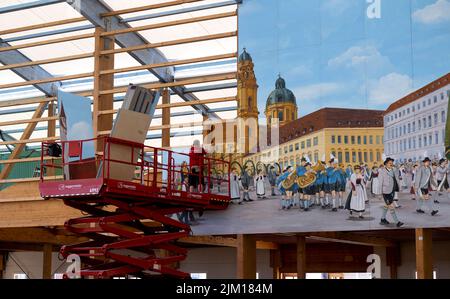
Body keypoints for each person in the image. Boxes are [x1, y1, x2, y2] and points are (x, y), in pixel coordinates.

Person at [378, 158, 404, 227]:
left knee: (387, 205)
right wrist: (380, 194)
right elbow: (380, 183)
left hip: (392, 191)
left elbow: (396, 179)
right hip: (385, 192)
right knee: (391, 206)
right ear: (386, 164)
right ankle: (397, 222)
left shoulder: (393, 170)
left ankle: (382, 219)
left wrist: (399, 187)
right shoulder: (382, 171)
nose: (391, 164)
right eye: (390, 163)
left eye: (392, 163)